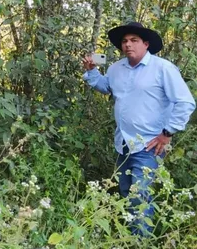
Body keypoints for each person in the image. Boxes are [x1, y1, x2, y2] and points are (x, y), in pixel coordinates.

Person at [83, 21, 195, 234]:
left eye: (134, 40)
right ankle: (129, 242)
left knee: (139, 195)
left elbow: (186, 102)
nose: (128, 45)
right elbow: (106, 87)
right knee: (126, 191)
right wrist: (92, 72)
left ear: (146, 44)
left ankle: (140, 248)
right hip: (124, 143)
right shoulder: (117, 68)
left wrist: (167, 133)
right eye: (125, 41)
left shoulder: (163, 68)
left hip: (150, 144)